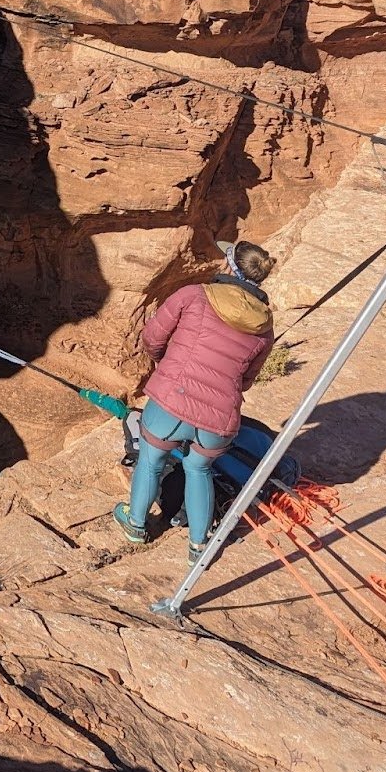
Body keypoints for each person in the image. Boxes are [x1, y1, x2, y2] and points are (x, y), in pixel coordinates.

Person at [114, 239, 277, 565]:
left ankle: (136, 524)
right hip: (218, 420)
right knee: (199, 469)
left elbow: (152, 338)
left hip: (171, 405)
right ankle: (199, 547)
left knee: (151, 460)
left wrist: (167, 364)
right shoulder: (264, 326)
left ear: (230, 266)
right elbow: (246, 380)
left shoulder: (193, 295)